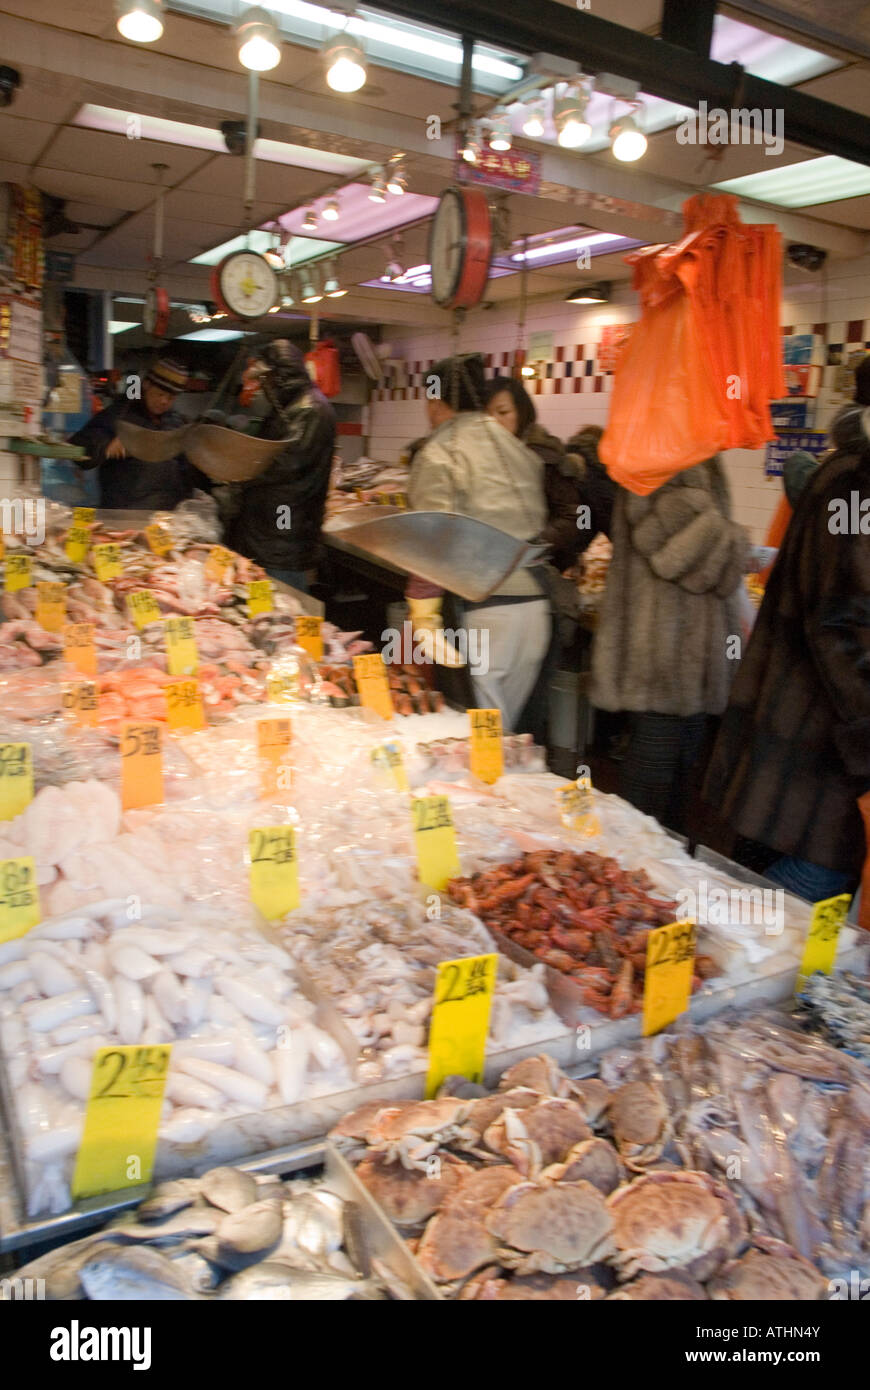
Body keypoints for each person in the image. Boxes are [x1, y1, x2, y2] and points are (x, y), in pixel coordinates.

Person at [703, 362, 870, 900]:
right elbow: (839, 622)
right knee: (815, 876)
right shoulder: (854, 485)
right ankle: (706, 945)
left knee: (790, 876)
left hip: (814, 738)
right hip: (817, 740)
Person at [591, 457, 749, 836]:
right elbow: (684, 556)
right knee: (651, 787)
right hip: (662, 654)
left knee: (677, 779)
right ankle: (631, 876)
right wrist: (736, 542)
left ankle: (661, 876)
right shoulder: (659, 461)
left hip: (684, 654)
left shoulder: (697, 460)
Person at [406, 353, 549, 730]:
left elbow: (433, 536)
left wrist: (423, 615)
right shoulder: (513, 448)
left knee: (481, 734)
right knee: (510, 733)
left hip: (488, 611)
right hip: (535, 606)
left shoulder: (440, 451)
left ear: (435, 402)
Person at [223, 340, 336, 593]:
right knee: (262, 611)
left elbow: (289, 462)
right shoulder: (289, 406)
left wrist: (239, 471)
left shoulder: (311, 409)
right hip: (267, 535)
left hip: (283, 540)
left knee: (285, 610)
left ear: (281, 376)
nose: (264, 386)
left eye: (268, 379)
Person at [71, 357, 201, 511]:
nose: (164, 401)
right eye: (160, 394)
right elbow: (78, 446)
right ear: (146, 385)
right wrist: (106, 446)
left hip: (167, 517)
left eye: (171, 397)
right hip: (125, 517)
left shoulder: (177, 422)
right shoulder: (119, 415)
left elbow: (184, 470)